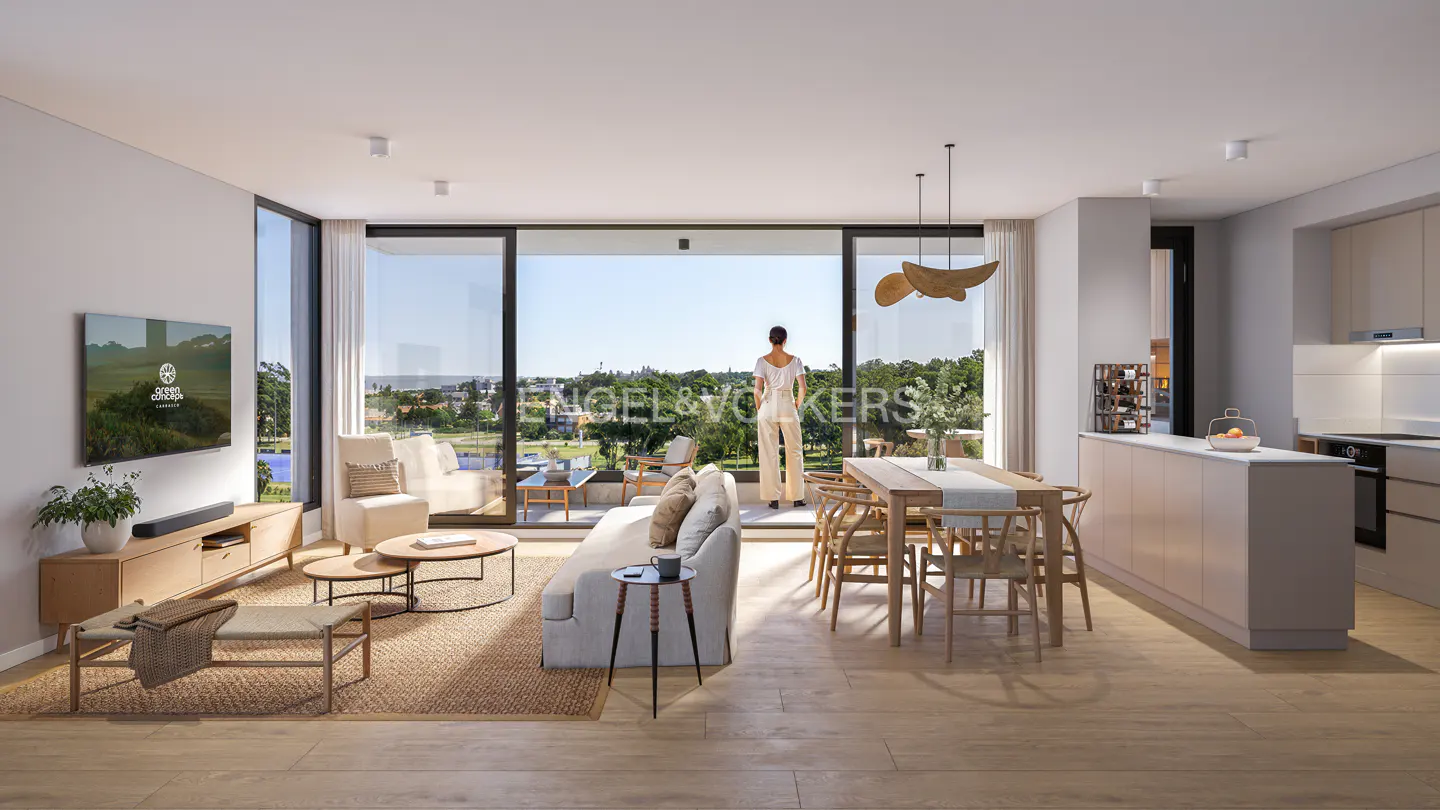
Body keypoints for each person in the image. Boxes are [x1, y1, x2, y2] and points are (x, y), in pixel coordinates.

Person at [753, 325, 807, 509]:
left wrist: (760, 409)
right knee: (794, 451)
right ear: (785, 341)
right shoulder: (795, 360)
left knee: (769, 452)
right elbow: (803, 387)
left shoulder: (761, 361)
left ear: (769, 340)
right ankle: (797, 497)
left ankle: (773, 499)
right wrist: (796, 404)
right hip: (787, 403)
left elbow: (757, 390)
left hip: (767, 403)